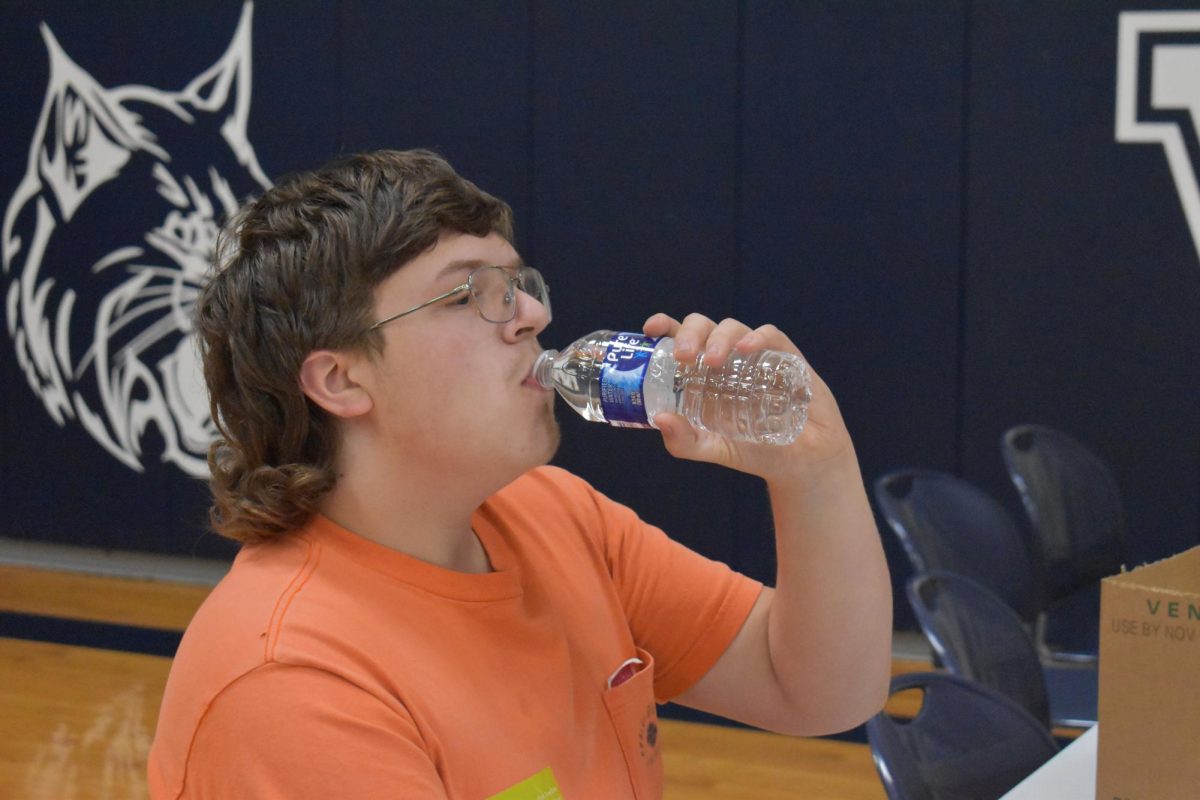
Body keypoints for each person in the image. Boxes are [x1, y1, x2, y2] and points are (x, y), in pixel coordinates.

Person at [147, 149, 892, 799]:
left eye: (519, 283)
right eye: (471, 293)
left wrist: (814, 468)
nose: (531, 312)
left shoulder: (551, 514)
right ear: (340, 381)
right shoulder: (292, 683)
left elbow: (819, 690)